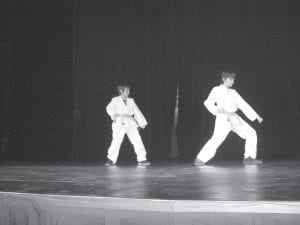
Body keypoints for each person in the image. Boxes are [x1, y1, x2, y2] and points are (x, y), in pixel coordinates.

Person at [194, 71, 263, 165]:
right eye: (230, 79)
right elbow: (207, 102)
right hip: (223, 118)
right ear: (224, 79)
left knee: (251, 133)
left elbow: (243, 104)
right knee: (216, 139)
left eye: (233, 79)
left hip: (234, 117)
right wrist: (217, 109)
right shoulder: (216, 89)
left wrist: (256, 116)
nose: (232, 81)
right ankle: (200, 158)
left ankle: (249, 158)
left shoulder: (233, 92)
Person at [105, 84, 150, 166]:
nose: (128, 92)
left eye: (129, 91)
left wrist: (141, 123)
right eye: (127, 91)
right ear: (121, 91)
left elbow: (136, 111)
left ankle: (142, 159)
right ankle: (111, 159)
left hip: (130, 122)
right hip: (119, 121)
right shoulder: (115, 100)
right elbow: (109, 108)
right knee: (116, 141)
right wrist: (113, 114)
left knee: (137, 140)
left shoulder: (131, 100)